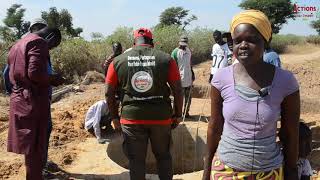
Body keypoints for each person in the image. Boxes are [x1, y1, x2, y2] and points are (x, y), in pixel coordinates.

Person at [203, 10, 300, 180]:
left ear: (266, 41)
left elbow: (290, 133)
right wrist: (206, 172)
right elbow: (215, 126)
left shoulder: (286, 81)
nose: (243, 45)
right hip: (226, 171)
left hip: (269, 172)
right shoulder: (221, 78)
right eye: (237, 41)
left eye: (251, 40)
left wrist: (292, 172)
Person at [105, 27, 183, 180]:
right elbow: (178, 90)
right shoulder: (166, 59)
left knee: (136, 160)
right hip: (161, 118)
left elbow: (108, 92)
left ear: (134, 43)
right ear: (152, 42)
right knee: (163, 157)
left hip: (131, 119)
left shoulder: (118, 61)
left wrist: (114, 117)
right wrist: (178, 114)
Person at [7, 27, 63, 180]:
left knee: (30, 150)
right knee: (37, 149)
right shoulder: (38, 43)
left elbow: (8, 75)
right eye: (53, 45)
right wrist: (53, 79)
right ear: (50, 36)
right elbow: (35, 73)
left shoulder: (18, 44)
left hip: (19, 100)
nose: (50, 48)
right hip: (33, 102)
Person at [171, 36, 193, 118]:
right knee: (178, 98)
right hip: (179, 80)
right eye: (181, 44)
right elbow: (172, 68)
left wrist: (192, 74)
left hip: (188, 78)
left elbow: (190, 64)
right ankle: (176, 114)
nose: (182, 46)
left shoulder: (189, 51)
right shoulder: (175, 52)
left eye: (184, 44)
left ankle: (186, 113)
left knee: (188, 98)